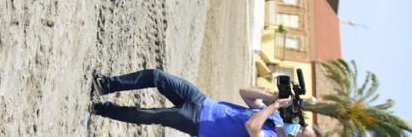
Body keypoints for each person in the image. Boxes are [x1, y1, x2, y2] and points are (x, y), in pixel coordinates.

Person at [89, 68, 319, 136]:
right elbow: (245, 93)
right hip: (203, 101)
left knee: (150, 115)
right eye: (303, 128)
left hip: (200, 124)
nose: (300, 130)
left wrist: (274, 107)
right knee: (157, 77)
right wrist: (271, 98)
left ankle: (101, 109)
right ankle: (107, 85)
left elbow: (252, 127)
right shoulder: (277, 118)